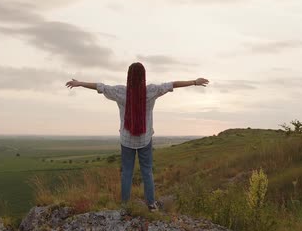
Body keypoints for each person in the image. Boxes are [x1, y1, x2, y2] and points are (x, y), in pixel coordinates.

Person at [65, 62, 209, 211]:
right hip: (145, 139)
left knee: (127, 172)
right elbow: (172, 84)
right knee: (147, 171)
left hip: (126, 140)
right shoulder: (151, 91)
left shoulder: (120, 92)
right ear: (143, 76)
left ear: (129, 76)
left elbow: (100, 86)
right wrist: (194, 82)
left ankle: (125, 205)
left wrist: (80, 83)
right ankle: (151, 204)